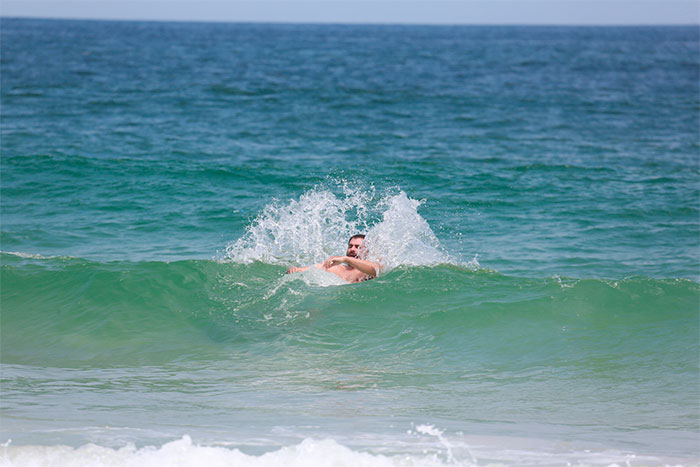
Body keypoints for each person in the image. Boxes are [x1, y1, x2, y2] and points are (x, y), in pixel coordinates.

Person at [286, 234, 379, 283]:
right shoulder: (337, 268)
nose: (352, 249)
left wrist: (346, 259)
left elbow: (376, 270)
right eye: (350, 246)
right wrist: (295, 270)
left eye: (357, 247)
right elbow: (311, 269)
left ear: (366, 251)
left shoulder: (366, 270)